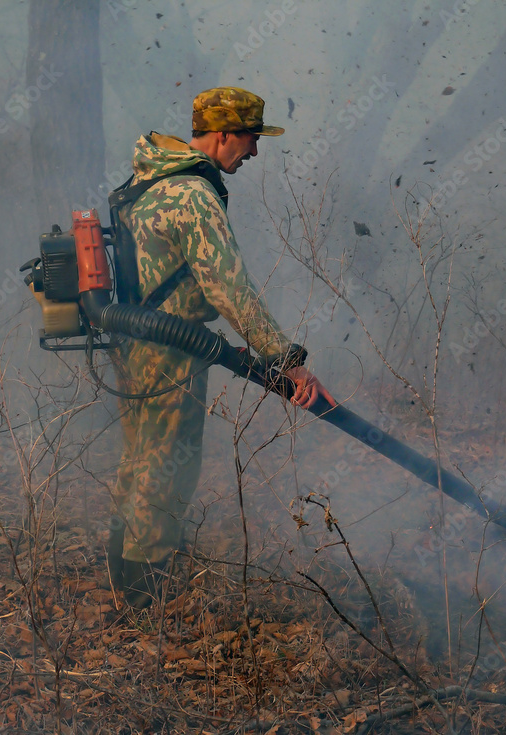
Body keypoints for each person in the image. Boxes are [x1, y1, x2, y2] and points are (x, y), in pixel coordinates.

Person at [109, 87, 335, 609]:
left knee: (139, 460)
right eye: (250, 140)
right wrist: (288, 362)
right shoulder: (192, 194)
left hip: (135, 341)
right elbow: (228, 288)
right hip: (170, 348)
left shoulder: (150, 178)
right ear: (223, 134)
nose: (253, 153)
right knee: (167, 468)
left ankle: (123, 583)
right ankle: (145, 606)